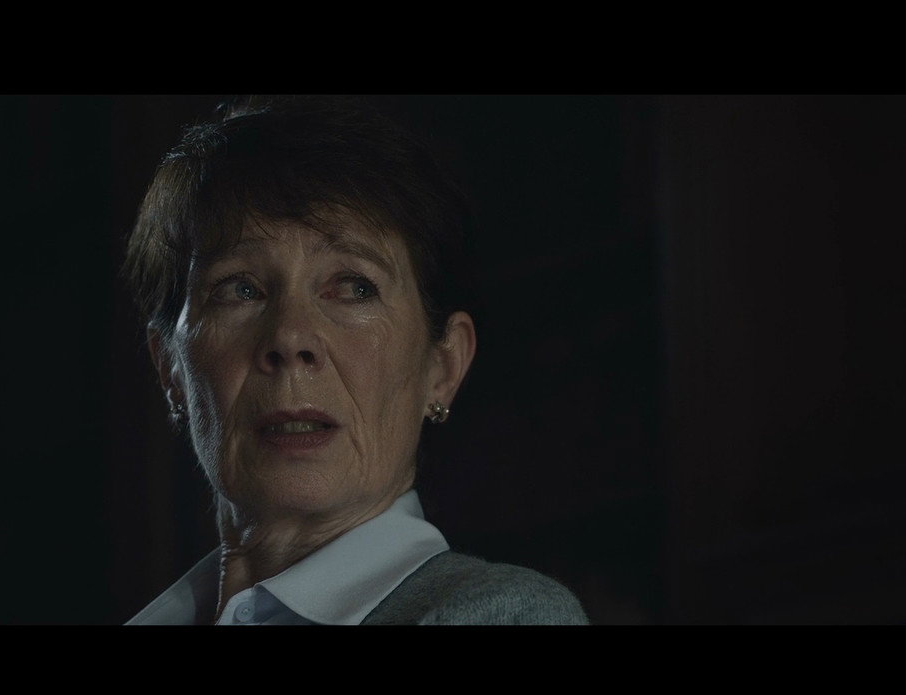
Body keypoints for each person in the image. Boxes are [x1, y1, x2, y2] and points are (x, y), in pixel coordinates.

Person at [122, 96, 588, 625]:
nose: (290, 337)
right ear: (170, 367)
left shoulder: (502, 614)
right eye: (240, 289)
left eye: (355, 287)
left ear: (443, 367)